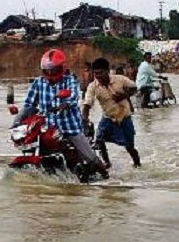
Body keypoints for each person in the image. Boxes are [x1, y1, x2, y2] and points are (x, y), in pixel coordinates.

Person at [16, 49, 109, 178]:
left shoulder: (69, 80)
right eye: (47, 69)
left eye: (53, 69)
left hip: (69, 127)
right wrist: (18, 120)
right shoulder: (38, 82)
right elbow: (29, 104)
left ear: (61, 67)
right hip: (48, 128)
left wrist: (63, 105)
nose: (50, 72)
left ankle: (106, 175)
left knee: (89, 156)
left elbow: (73, 97)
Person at [81, 57, 141, 168]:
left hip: (124, 117)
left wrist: (124, 95)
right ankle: (106, 164)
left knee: (129, 146)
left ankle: (137, 164)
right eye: (95, 73)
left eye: (100, 73)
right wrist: (85, 119)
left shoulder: (120, 80)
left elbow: (135, 88)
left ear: (107, 71)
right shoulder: (93, 86)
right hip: (108, 118)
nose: (98, 76)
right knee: (99, 140)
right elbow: (87, 104)